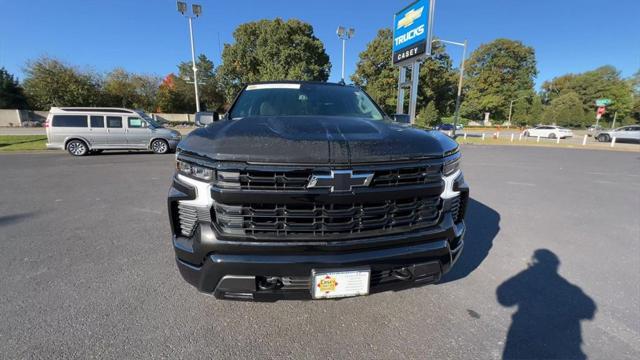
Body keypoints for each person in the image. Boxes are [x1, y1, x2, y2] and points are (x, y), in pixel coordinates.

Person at [497, 249, 596, 359]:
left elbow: (504, 297)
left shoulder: (529, 277)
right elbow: (589, 309)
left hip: (525, 334)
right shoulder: (569, 288)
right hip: (556, 342)